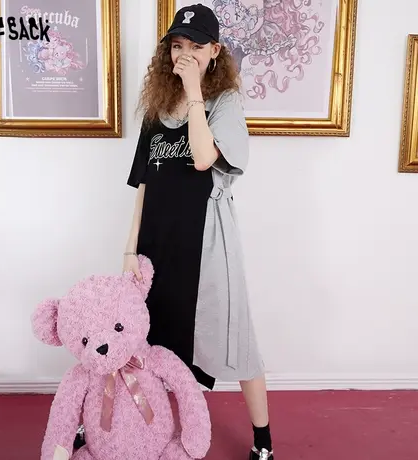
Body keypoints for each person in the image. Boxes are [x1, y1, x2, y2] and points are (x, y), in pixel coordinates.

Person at [121, 4, 276, 459]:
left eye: (195, 45)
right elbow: (143, 186)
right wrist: (129, 250)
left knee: (236, 338)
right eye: (177, 45)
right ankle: (139, 430)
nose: (184, 54)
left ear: (215, 51)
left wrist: (193, 91)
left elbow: (206, 158)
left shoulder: (225, 103)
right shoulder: (156, 108)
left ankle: (263, 440)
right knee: (148, 340)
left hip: (206, 243)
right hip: (157, 241)